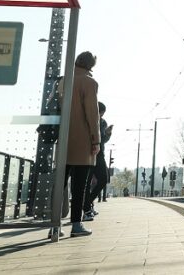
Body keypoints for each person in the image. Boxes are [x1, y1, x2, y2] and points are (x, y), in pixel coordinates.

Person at [66, 51, 100, 237]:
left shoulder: (64, 80)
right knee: (79, 186)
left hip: (64, 142)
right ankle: (76, 225)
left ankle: (53, 226)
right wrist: (96, 140)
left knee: (61, 183)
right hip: (82, 141)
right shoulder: (89, 82)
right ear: (91, 66)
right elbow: (92, 114)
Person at [82, 101, 113, 220]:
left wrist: (108, 134)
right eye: (100, 113)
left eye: (102, 114)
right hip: (87, 153)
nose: (101, 116)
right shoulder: (86, 120)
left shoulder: (103, 122)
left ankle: (87, 203)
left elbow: (103, 140)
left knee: (104, 179)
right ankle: (87, 208)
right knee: (86, 182)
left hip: (99, 154)